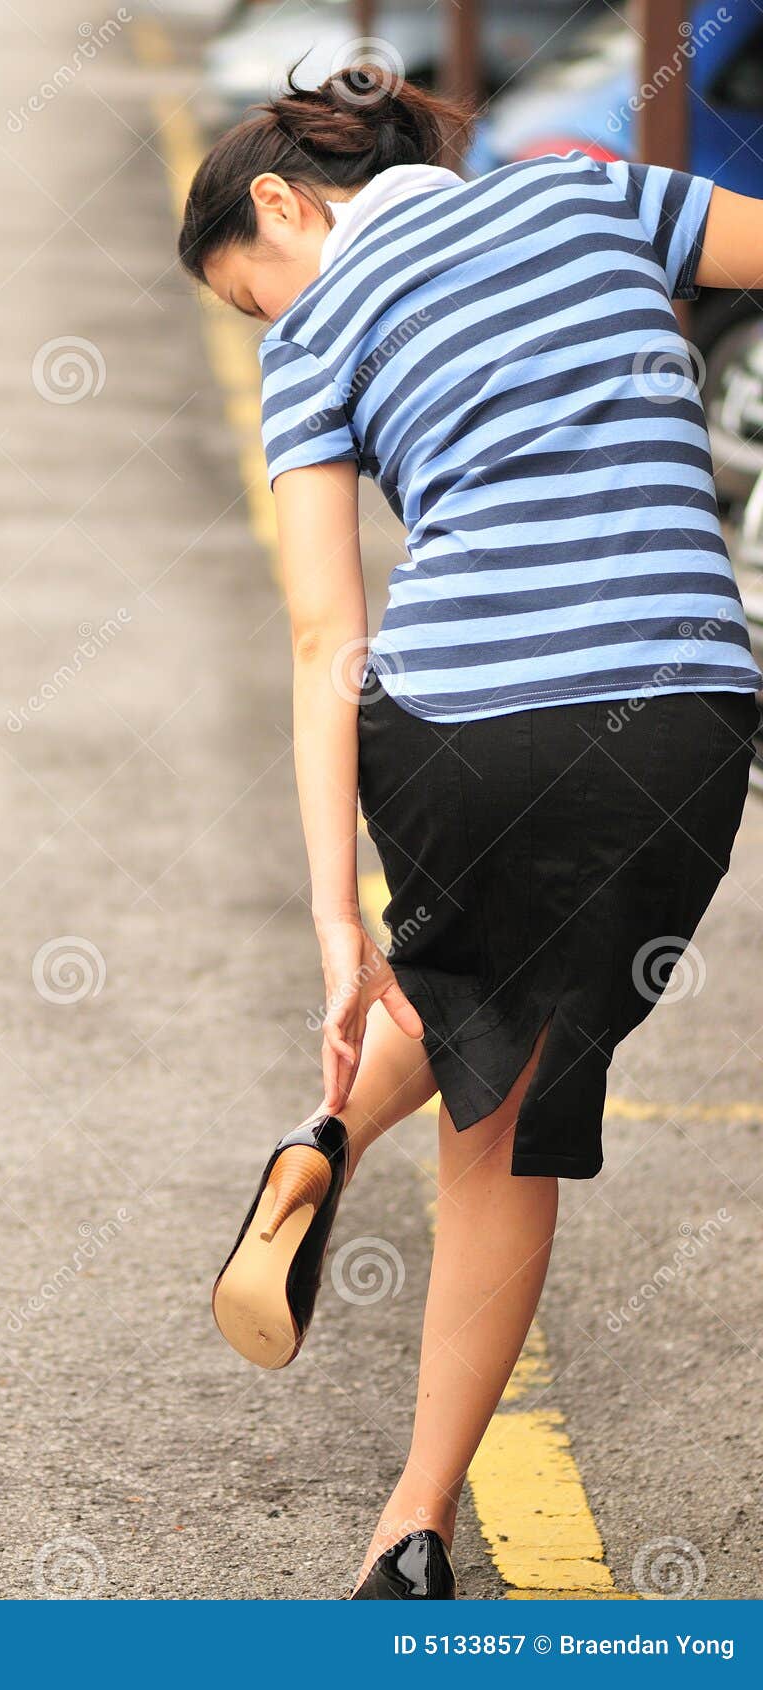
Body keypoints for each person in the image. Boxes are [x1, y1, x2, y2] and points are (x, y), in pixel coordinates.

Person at [178, 66, 763, 1600]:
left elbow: (327, 641)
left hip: (466, 729)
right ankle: (328, 1145)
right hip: (686, 710)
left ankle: (414, 1526)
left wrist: (336, 923)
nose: (266, 316)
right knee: (516, 1026)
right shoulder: (592, 189)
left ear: (285, 204)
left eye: (250, 291)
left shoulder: (312, 342)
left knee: (489, 1093)